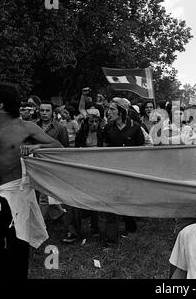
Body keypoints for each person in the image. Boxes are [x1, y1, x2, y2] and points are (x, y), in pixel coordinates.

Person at [0, 83, 62, 279]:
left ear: (0, 105)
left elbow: (56, 145)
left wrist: (36, 147)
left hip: (17, 194)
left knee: (18, 245)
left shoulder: (26, 128)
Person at [101, 97, 145, 245]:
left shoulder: (135, 127)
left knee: (126, 201)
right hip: (112, 171)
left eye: (112, 109)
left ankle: (131, 227)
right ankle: (110, 238)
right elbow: (104, 149)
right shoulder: (107, 128)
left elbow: (141, 151)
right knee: (111, 202)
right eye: (109, 109)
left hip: (129, 172)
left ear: (122, 111)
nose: (109, 112)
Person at [62, 109, 102, 243]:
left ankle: (95, 228)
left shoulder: (103, 134)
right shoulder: (81, 134)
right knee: (75, 200)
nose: (94, 124)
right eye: (91, 121)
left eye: (97, 121)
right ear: (87, 122)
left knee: (95, 200)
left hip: (99, 171)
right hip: (82, 171)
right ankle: (74, 231)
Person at [36, 101, 69, 222]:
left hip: (51, 165)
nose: (44, 113)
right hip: (35, 164)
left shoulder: (60, 128)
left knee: (44, 196)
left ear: (52, 112)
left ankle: (40, 225)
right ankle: (58, 213)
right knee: (42, 194)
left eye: (47, 110)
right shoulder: (34, 126)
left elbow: (64, 148)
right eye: (42, 110)